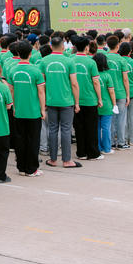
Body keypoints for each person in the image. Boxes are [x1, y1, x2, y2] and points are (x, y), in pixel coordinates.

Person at [40, 36, 80, 169]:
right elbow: (74, 84)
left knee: (52, 129)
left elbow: (42, 84)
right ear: (63, 47)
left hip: (51, 101)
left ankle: (52, 159)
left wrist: (44, 101)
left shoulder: (44, 61)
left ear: (51, 47)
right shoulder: (69, 62)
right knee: (66, 130)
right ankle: (67, 160)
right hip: (66, 101)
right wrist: (77, 102)